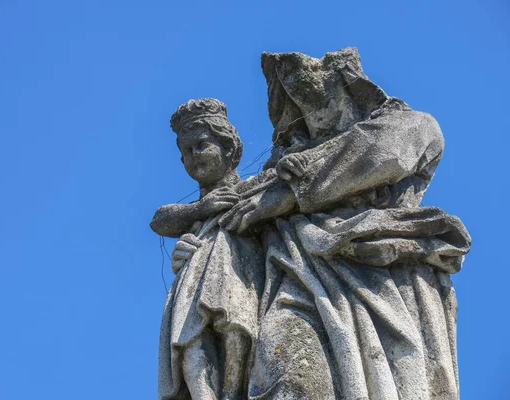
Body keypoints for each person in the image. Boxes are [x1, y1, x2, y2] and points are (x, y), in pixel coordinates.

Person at [219, 48, 472, 399]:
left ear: (345, 85)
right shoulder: (280, 170)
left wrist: (295, 191)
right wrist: (197, 246)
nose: (308, 117)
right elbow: (227, 211)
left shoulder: (411, 125)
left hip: (382, 282)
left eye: (314, 102)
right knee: (289, 382)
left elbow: (384, 151)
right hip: (298, 279)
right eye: (297, 108)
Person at [151, 98, 264, 400]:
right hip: (193, 289)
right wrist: (202, 208)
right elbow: (159, 220)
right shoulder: (195, 212)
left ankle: (231, 392)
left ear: (229, 147)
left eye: (201, 145)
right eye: (186, 152)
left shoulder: (255, 187)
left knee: (236, 325)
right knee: (191, 341)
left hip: (240, 277)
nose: (194, 155)